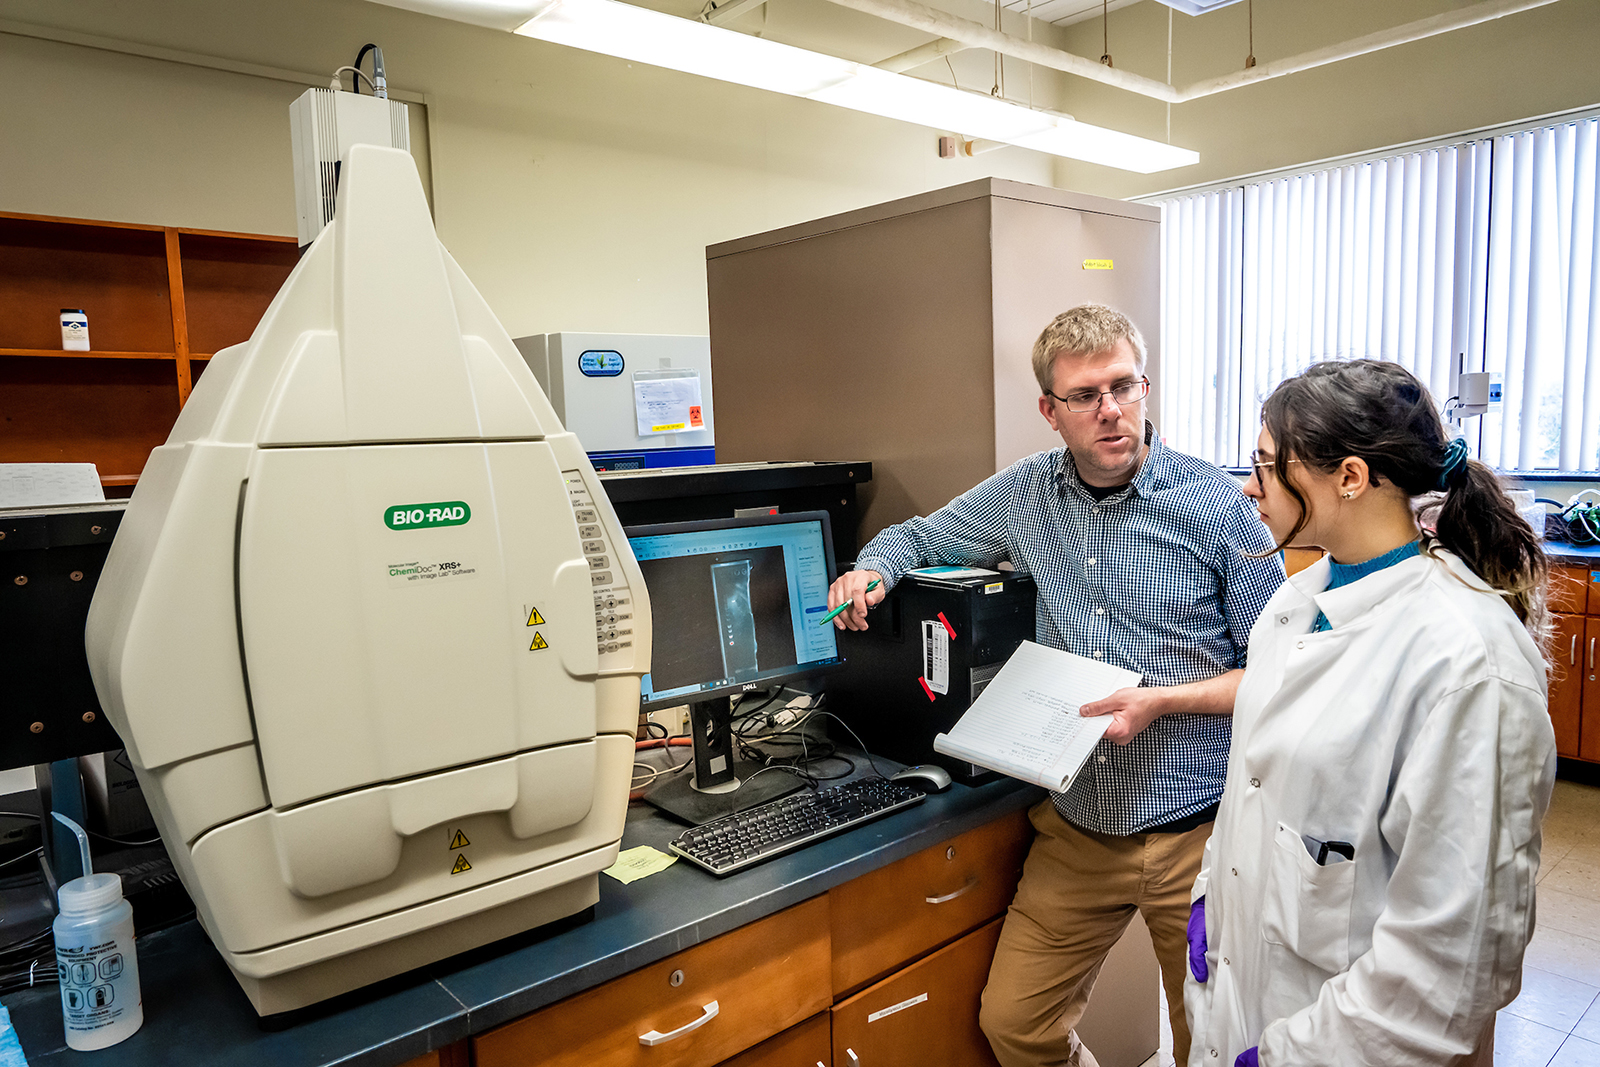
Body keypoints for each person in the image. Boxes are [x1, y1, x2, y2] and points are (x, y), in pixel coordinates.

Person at [827, 304, 1285, 1067]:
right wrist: (871, 569)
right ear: (1050, 410)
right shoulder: (1026, 495)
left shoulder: (1216, 507)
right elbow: (916, 535)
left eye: (1123, 386)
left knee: (1216, 1044)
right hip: (1078, 830)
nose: (1110, 410)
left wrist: (1163, 699)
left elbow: (1278, 674)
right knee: (1015, 1023)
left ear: (1146, 386)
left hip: (1198, 837)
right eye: (1084, 395)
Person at [1183, 359, 1555, 1067]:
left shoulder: (1467, 664)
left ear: (1349, 478)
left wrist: (1291, 1057)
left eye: (1267, 466)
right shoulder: (1296, 602)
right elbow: (1255, 792)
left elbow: (1450, 965)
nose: (1249, 487)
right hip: (1247, 1001)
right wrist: (1212, 899)